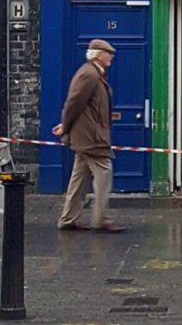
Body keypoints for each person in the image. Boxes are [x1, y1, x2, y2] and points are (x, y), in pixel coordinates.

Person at [53, 38, 126, 233]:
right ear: (97, 55)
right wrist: (66, 127)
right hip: (91, 137)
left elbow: (80, 106)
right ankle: (101, 219)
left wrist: (66, 126)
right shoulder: (89, 75)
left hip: (86, 135)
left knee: (79, 177)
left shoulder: (94, 74)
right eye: (107, 53)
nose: (111, 56)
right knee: (104, 170)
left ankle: (68, 218)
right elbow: (73, 104)